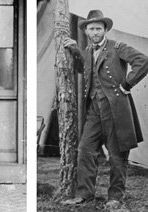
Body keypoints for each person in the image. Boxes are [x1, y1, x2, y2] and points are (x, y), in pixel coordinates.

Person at [62, 10, 148, 209]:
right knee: (85, 150)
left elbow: (143, 61)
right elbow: (81, 68)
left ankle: (115, 197)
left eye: (98, 29)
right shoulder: (87, 50)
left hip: (115, 110)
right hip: (93, 110)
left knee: (117, 156)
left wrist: (127, 84)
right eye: (91, 29)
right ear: (86, 32)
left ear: (105, 29)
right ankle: (85, 193)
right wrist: (75, 50)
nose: (95, 32)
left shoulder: (117, 47)